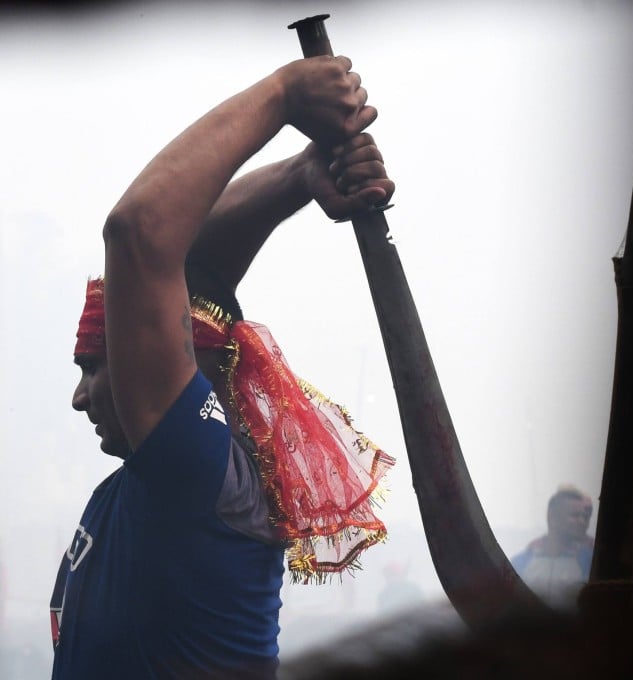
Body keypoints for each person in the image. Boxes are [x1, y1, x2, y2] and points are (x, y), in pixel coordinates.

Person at [49, 54, 397, 679]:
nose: (80, 397)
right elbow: (193, 262)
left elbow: (141, 232)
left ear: (185, 366)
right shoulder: (174, 471)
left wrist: (287, 93)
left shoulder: (191, 469)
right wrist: (299, 174)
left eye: (96, 368)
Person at [510, 484, 595, 608]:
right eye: (575, 515)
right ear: (552, 518)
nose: (582, 521)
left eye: (584, 516)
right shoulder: (520, 562)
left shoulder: (590, 561)